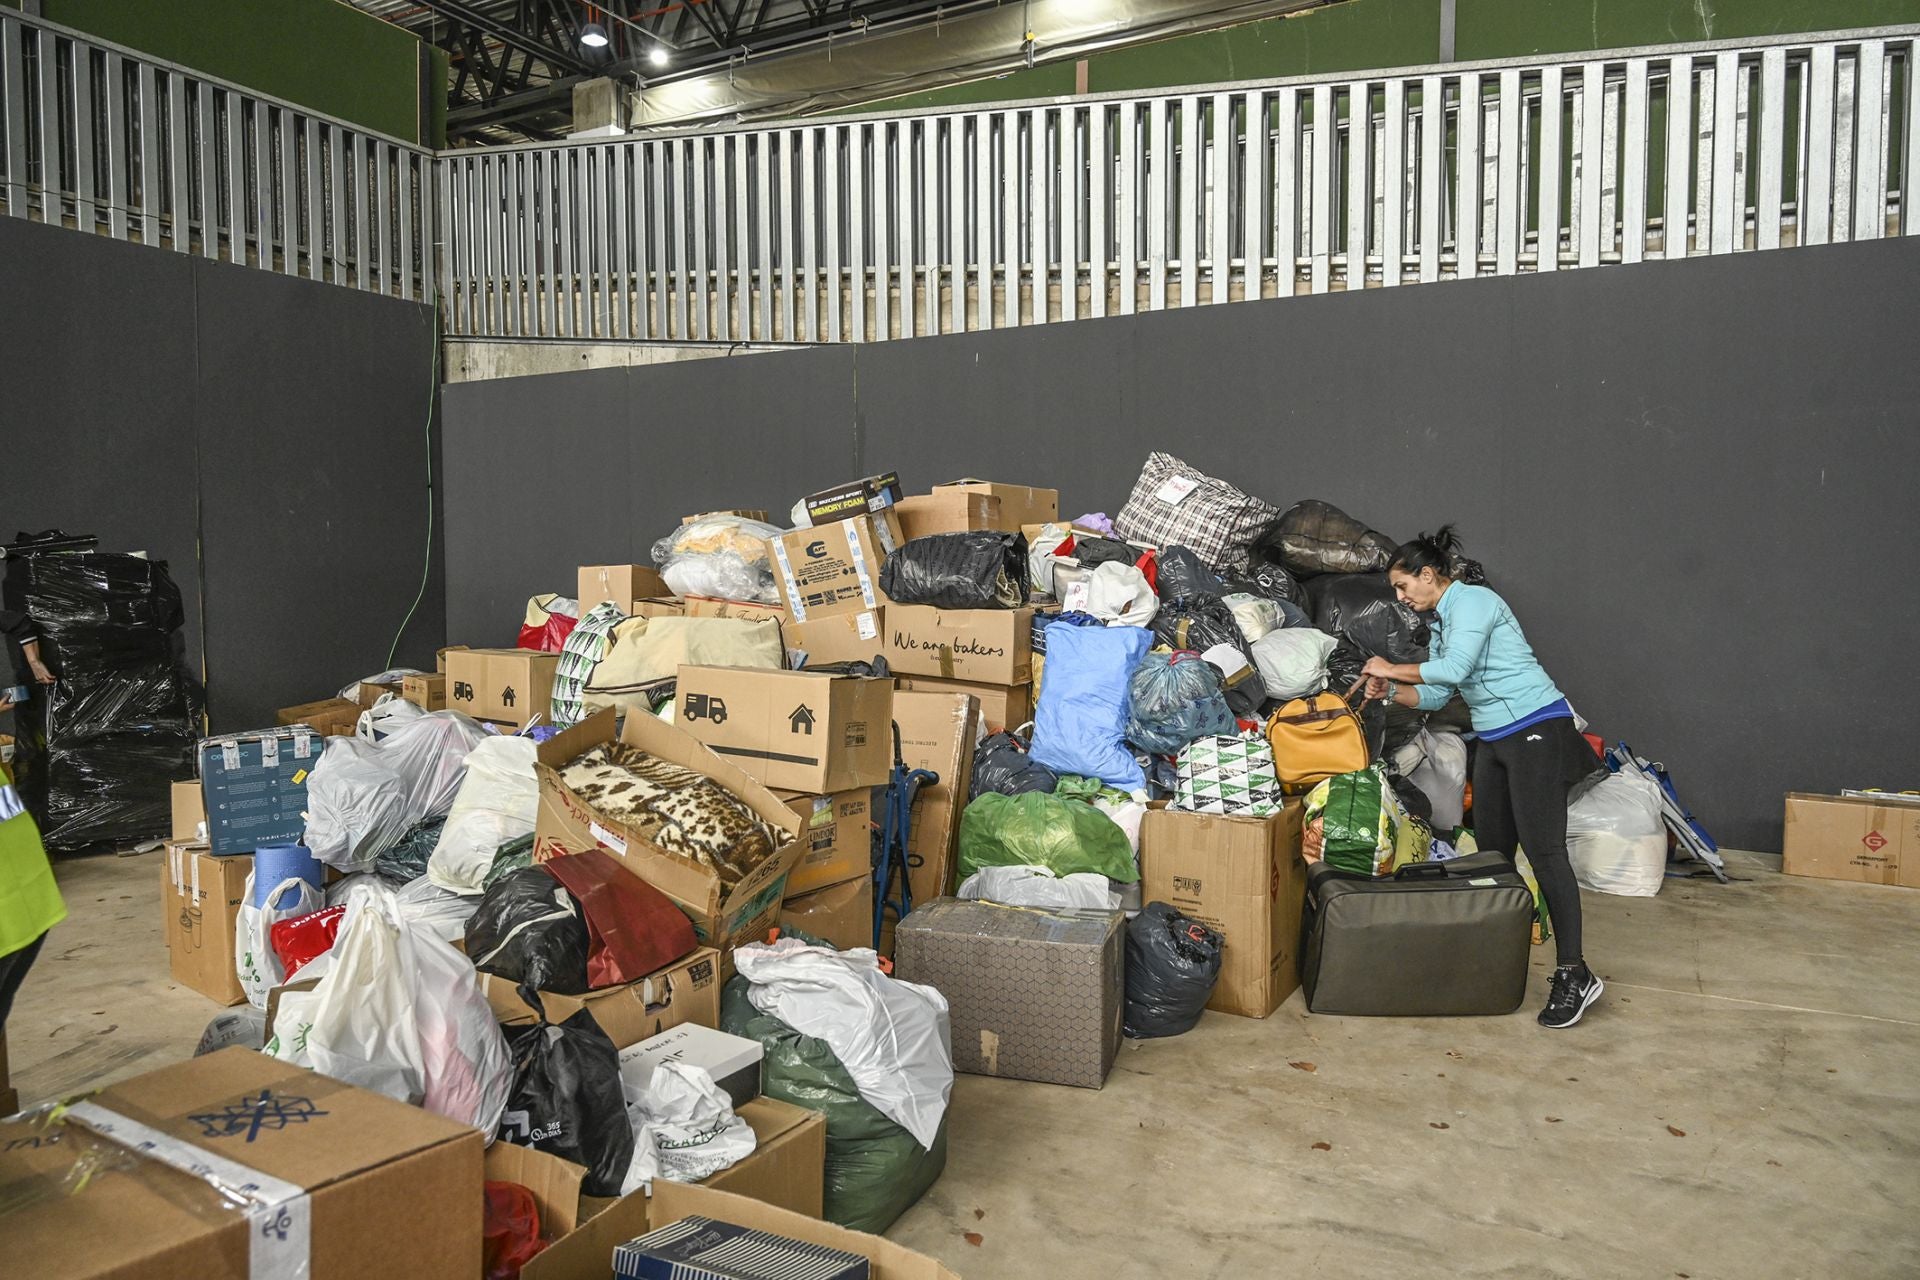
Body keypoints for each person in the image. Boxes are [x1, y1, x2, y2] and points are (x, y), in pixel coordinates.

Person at [1359, 527, 1604, 1029]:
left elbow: (1454, 670)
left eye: (1405, 587)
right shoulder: (1444, 619)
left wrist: (1391, 664)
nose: (1402, 599)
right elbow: (1434, 695)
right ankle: (1498, 956)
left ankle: (1575, 972)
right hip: (1494, 738)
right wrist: (1387, 690)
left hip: (1536, 727)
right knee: (1493, 854)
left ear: (1430, 575)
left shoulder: (1473, 601)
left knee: (1545, 852)